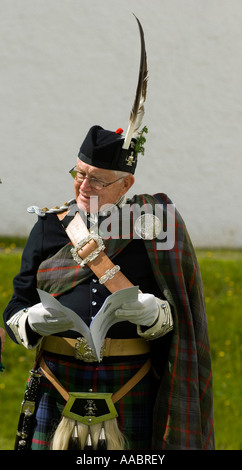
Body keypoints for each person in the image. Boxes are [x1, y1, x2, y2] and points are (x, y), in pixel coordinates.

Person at [3, 18, 214, 451]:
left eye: (98, 180)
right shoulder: (48, 226)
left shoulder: (154, 228)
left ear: (126, 185)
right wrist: (30, 322)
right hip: (58, 382)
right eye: (79, 174)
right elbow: (14, 309)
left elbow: (179, 318)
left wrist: (151, 314)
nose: (83, 186)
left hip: (130, 381)